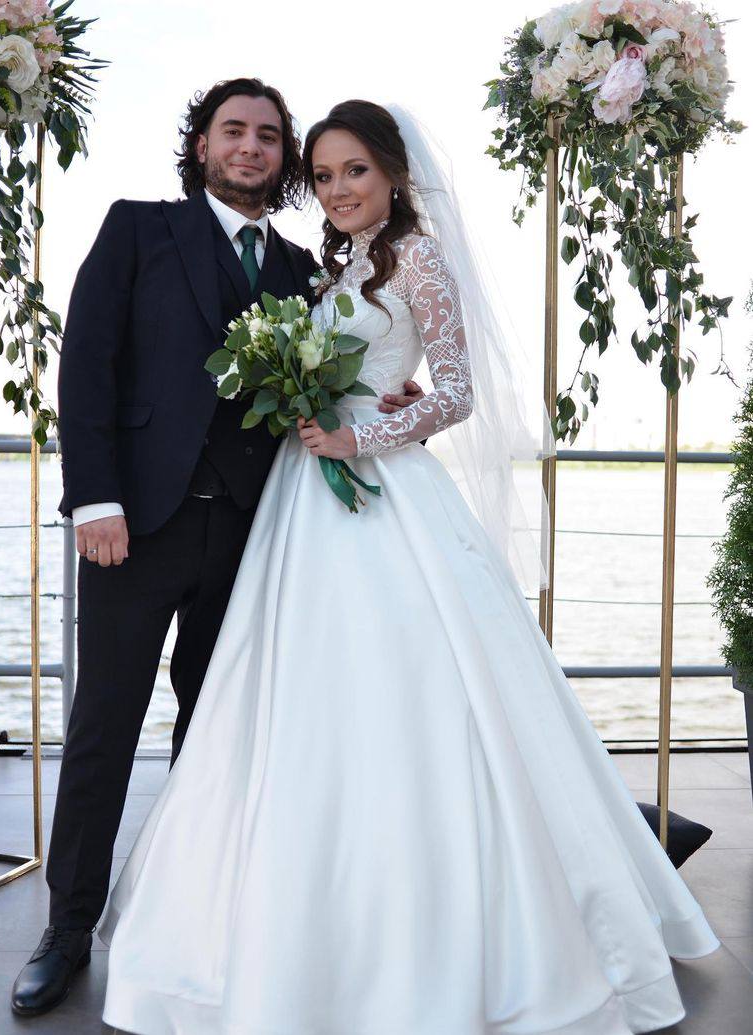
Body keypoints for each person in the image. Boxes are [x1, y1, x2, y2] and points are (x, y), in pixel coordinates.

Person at [99, 100, 720, 1035]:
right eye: (325, 175)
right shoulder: (333, 267)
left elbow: (458, 392)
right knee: (290, 695)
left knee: (419, 691)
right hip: (302, 500)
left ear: (392, 171)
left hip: (384, 491)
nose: (339, 189)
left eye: (356, 170)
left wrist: (366, 435)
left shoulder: (420, 258)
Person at [10, 79, 426, 1018]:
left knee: (220, 732)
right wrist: (95, 498)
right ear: (201, 144)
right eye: (233, 130)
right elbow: (87, 363)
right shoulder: (137, 229)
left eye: (269, 137)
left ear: (283, 161)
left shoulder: (302, 270)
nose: (251, 147)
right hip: (134, 527)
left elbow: (331, 378)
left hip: (253, 532)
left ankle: (194, 920)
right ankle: (66, 928)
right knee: (104, 726)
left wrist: (390, 401)